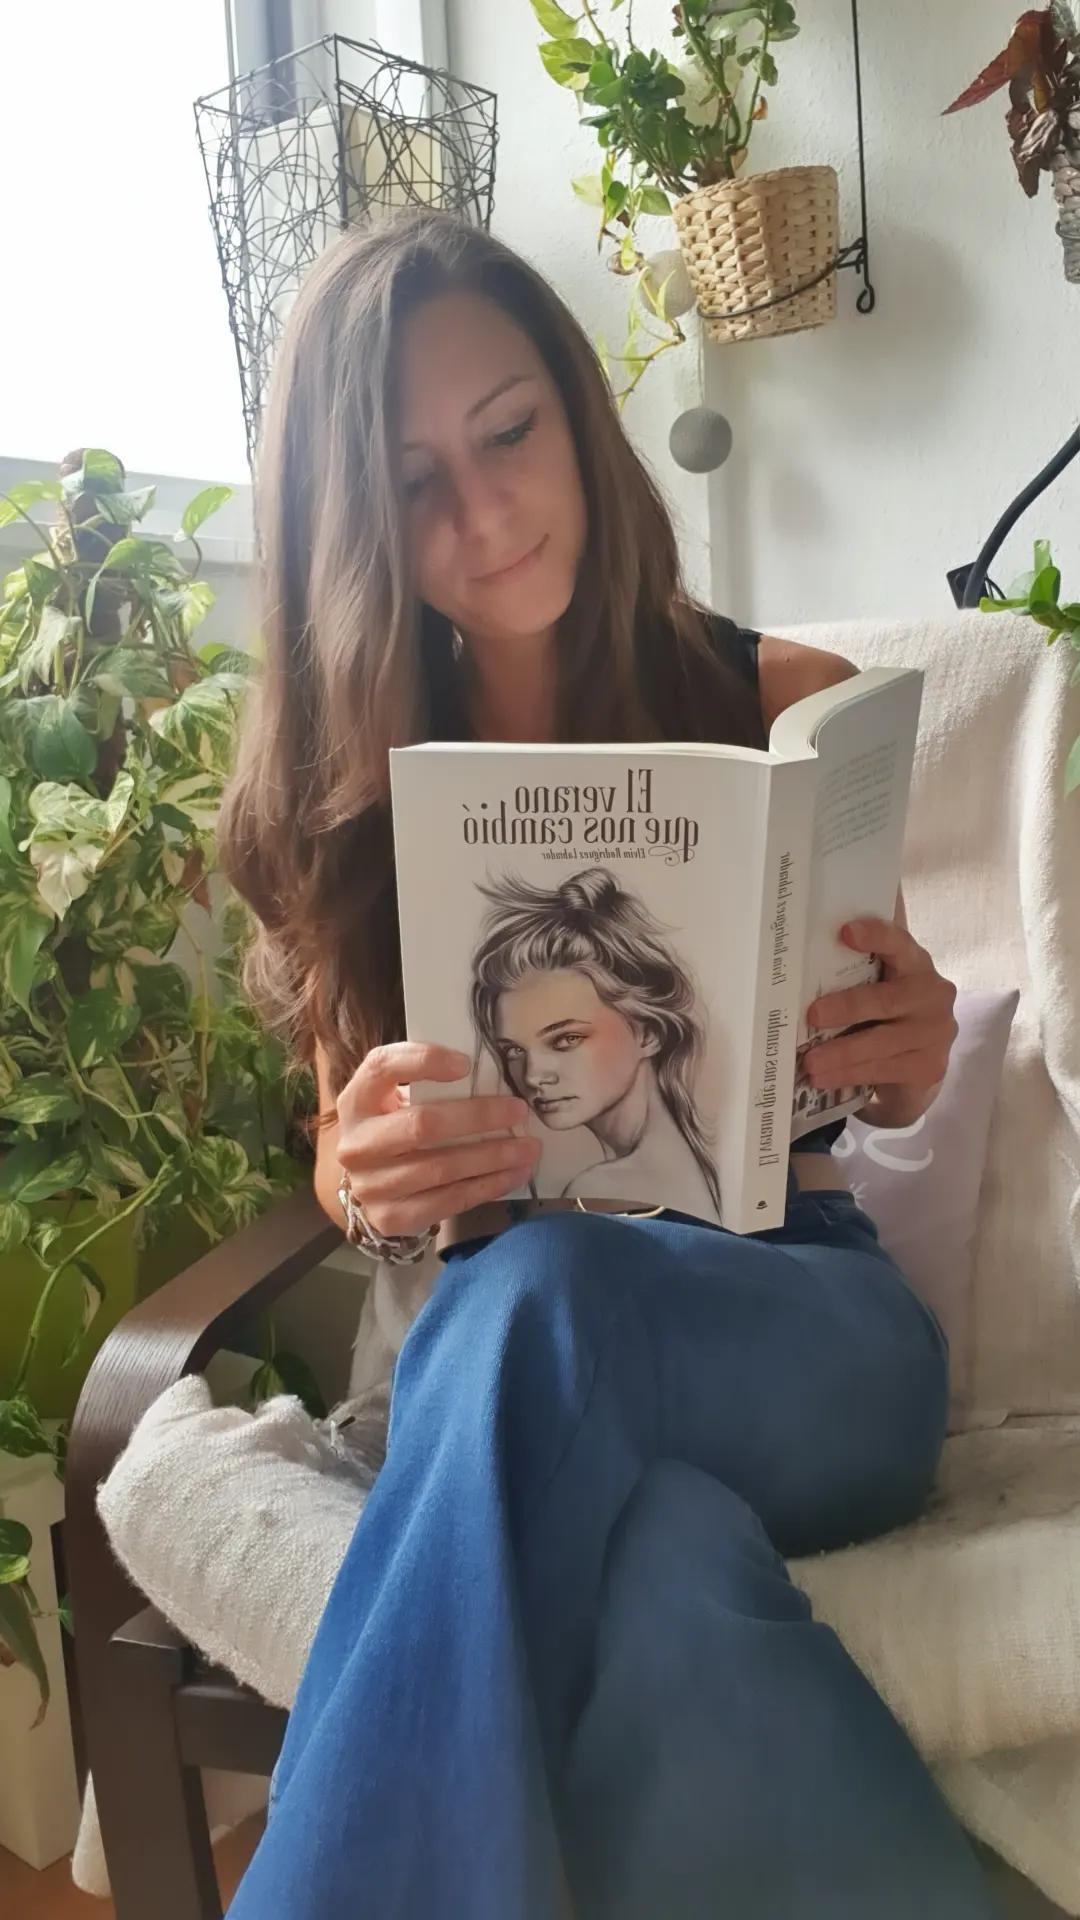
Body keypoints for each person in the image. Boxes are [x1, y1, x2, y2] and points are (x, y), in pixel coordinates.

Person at [219, 210, 991, 1918]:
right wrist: (368, 1175)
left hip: (803, 1323)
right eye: (415, 482)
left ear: (577, 416)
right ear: (355, 522)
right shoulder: (346, 793)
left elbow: (884, 1063)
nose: (485, 511)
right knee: (665, 1582)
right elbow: (347, 1157)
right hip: (509, 1346)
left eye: (511, 432)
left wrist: (909, 1051)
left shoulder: (785, 698)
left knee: (550, 1291)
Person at [470, 866, 723, 1223]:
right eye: (514, 1050)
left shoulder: (603, 1187)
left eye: (566, 1039)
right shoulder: (694, 1166)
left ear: (648, 1033)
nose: (533, 1076)